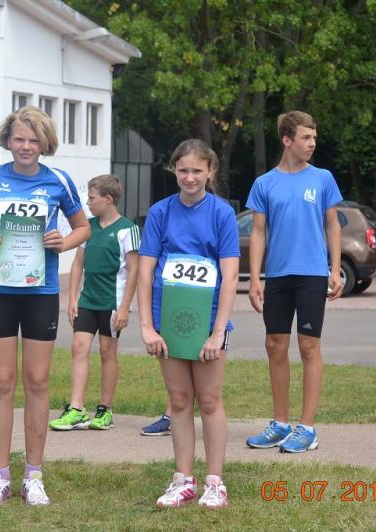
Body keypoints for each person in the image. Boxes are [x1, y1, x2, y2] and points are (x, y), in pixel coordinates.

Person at [0, 105, 90, 506]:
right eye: (19, 139)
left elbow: (83, 227)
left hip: (40, 292)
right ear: (8, 140)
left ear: (45, 143)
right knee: (1, 381)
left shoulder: (58, 181)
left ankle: (34, 474)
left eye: (34, 140)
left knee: (37, 381)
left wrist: (63, 242)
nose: (26, 146)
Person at [138, 139, 239, 509]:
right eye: (183, 170)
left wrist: (218, 331)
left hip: (209, 322)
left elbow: (230, 276)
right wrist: (147, 326)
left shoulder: (222, 214)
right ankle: (183, 479)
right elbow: (145, 272)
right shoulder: (160, 212)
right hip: (168, 320)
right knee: (179, 400)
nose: (190, 177)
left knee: (209, 400)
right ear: (174, 170)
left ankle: (215, 481)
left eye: (197, 170)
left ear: (210, 172)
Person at [245, 111, 343, 453]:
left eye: (314, 137)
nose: (312, 143)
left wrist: (335, 269)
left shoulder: (323, 178)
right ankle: (280, 424)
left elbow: (333, 225)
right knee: (274, 345)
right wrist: (255, 278)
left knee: (308, 346)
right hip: (278, 275)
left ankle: (308, 429)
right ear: (287, 140)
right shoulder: (264, 184)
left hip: (312, 274)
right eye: (306, 137)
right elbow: (258, 232)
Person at [50, 174, 139, 431]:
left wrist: (124, 307)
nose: (87, 203)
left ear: (108, 199)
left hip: (112, 303)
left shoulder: (128, 229)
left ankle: (105, 409)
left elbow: (134, 270)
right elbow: (78, 264)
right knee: (79, 348)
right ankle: (76, 408)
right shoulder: (87, 228)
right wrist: (73, 298)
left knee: (107, 352)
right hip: (87, 300)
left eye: (91, 198)